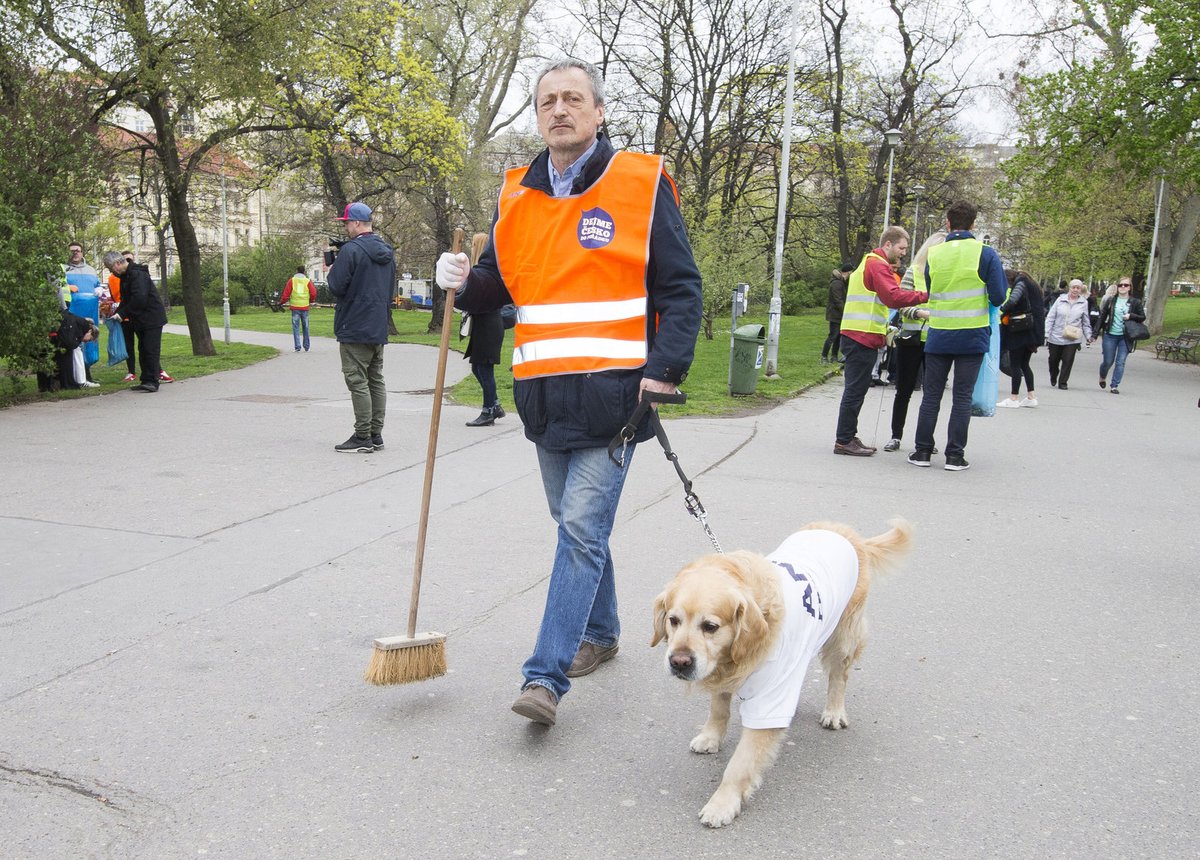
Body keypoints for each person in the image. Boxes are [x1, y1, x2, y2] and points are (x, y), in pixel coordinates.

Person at [434, 58, 702, 727]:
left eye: (573, 98)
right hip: (544, 398)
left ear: (598, 111)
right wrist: (462, 281)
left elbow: (681, 286)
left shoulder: (640, 183)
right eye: (548, 99)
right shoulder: (515, 194)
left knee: (581, 529)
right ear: (538, 114)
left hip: (617, 400)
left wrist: (665, 370)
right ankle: (603, 632)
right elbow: (500, 284)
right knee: (575, 524)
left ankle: (544, 677)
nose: (560, 109)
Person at [908, 201, 1007, 471]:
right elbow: (998, 296)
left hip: (939, 334)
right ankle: (954, 456)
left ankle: (922, 452)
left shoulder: (935, 254)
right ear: (974, 225)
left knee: (931, 396)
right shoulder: (986, 254)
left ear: (948, 223)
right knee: (962, 397)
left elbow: (931, 289)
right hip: (971, 335)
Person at [833, 226, 927, 457]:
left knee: (857, 389)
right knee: (855, 391)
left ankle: (848, 435)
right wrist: (927, 296)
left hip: (860, 334)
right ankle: (844, 440)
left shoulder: (869, 261)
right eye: (901, 248)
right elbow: (893, 297)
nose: (904, 252)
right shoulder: (878, 265)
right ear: (888, 244)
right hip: (861, 336)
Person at [326, 201, 396, 453]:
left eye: (346, 223)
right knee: (375, 379)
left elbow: (336, 286)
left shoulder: (351, 251)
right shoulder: (386, 251)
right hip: (377, 324)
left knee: (357, 380)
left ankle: (362, 435)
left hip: (354, 323)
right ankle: (376, 433)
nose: (345, 227)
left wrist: (331, 270)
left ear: (356, 223)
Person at [883, 230, 946, 452]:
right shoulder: (913, 272)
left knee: (931, 393)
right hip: (911, 338)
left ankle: (926, 439)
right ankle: (895, 435)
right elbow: (901, 304)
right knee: (904, 390)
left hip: (936, 340)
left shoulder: (946, 275)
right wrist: (921, 313)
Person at [103, 251, 167, 392]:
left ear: (118, 263)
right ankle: (146, 379)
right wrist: (117, 313)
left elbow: (139, 299)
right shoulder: (126, 276)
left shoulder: (137, 274)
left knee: (150, 349)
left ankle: (152, 381)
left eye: (110, 268)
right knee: (143, 348)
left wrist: (122, 314)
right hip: (140, 318)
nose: (111, 272)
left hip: (151, 317)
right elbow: (126, 300)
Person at [461, 233, 507, 427]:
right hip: (484, 324)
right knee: (477, 367)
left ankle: (489, 410)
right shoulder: (479, 273)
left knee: (485, 368)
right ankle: (494, 404)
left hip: (489, 325)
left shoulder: (486, 275)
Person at [995, 268, 1046, 408]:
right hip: (1032, 331)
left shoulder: (1021, 282)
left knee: (1015, 364)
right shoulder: (1030, 283)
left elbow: (1013, 300)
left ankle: (1014, 398)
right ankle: (1031, 396)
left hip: (1021, 330)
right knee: (1024, 364)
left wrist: (1002, 309)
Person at [1096, 277, 1145, 394]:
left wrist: (1131, 315)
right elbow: (1102, 318)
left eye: (1126, 285)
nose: (1123, 287)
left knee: (1120, 362)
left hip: (1126, 336)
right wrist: (1094, 334)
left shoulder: (1135, 302)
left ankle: (1114, 385)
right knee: (1108, 361)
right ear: (1117, 287)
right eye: (1120, 285)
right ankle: (1102, 376)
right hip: (1110, 335)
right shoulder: (1111, 300)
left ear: (1130, 288)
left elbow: (1142, 317)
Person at [1044, 278, 1093, 389]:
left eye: (1078, 288)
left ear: (1081, 290)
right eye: (1073, 287)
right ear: (1069, 288)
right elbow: (1051, 317)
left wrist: (1088, 335)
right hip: (1056, 335)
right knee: (1053, 360)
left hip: (1072, 337)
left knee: (1068, 360)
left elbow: (1086, 322)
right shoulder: (1060, 300)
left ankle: (1063, 382)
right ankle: (1054, 374)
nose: (1075, 290)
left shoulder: (1084, 303)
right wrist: (1046, 332)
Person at [280, 266, 317, 352]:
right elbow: (313, 292)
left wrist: (281, 302)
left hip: (295, 307)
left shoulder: (292, 281)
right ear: (304, 272)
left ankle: (297, 347)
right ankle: (307, 346)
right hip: (305, 307)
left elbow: (286, 294)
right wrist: (310, 300)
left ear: (296, 271)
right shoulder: (307, 281)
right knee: (306, 327)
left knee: (296, 327)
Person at [821, 264, 852, 363]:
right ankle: (824, 356)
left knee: (838, 336)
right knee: (833, 336)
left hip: (838, 314)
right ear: (848, 272)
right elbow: (838, 300)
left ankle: (834, 356)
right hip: (835, 314)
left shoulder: (841, 282)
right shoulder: (837, 283)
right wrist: (845, 312)